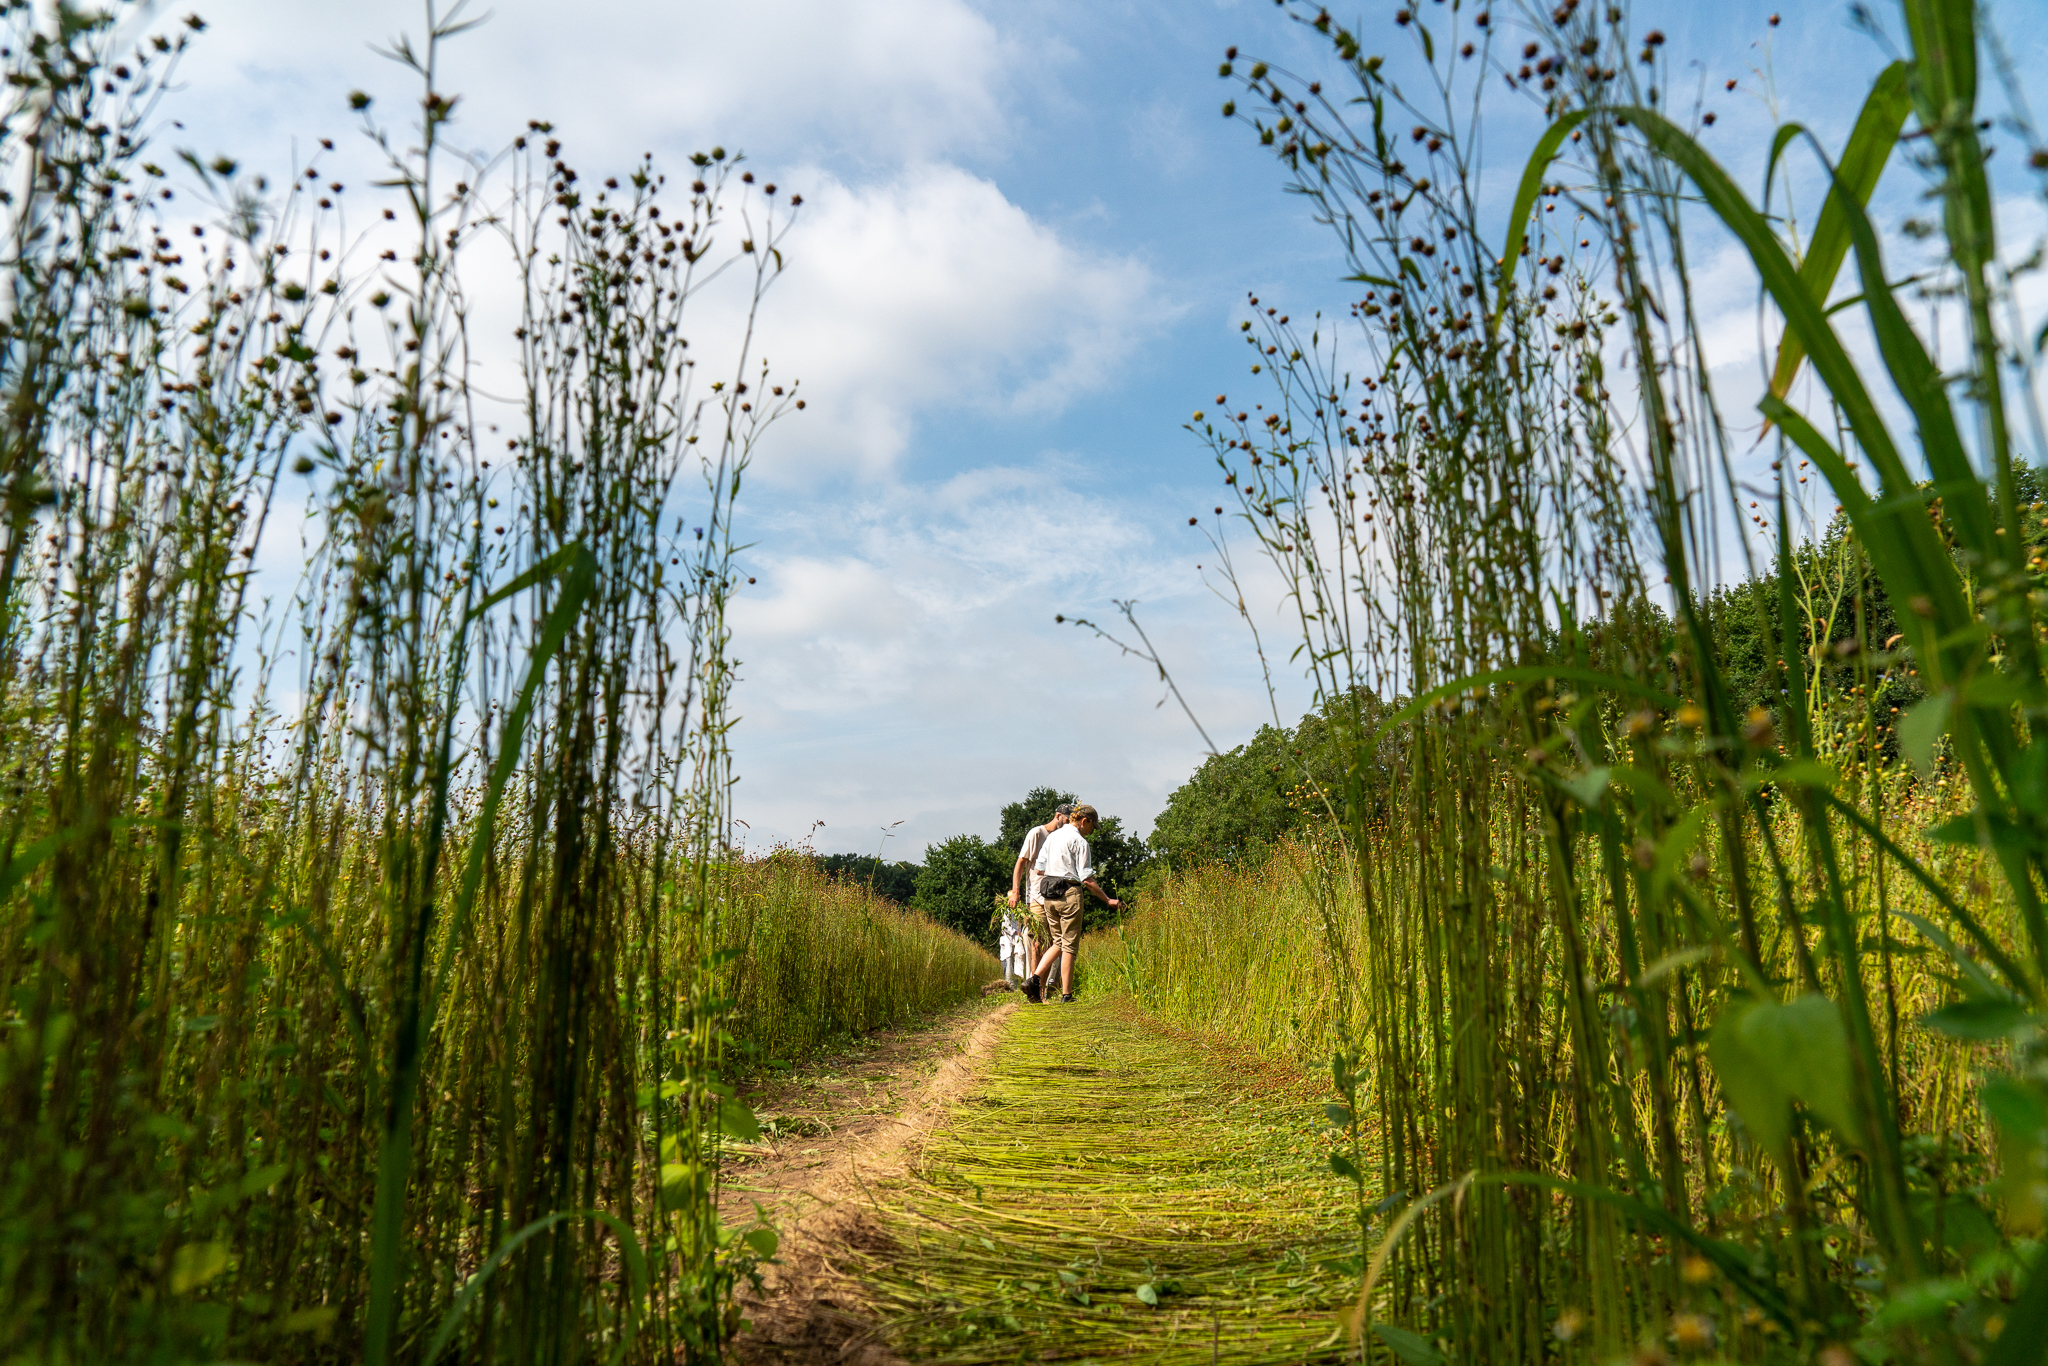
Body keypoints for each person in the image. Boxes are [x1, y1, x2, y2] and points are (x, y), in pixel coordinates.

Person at [1024, 803, 1119, 1004]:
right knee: (1069, 946)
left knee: (1057, 941)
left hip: (1048, 895)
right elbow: (1087, 879)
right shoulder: (1080, 842)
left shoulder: (1052, 837)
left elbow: (1039, 869)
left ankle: (1034, 979)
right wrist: (1108, 900)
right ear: (1084, 821)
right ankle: (1066, 995)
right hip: (1069, 894)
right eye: (1092, 827)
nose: (1091, 832)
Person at [1005, 802, 1071, 982]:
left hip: (1055, 898)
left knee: (1052, 944)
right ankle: (1035, 990)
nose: (1067, 824)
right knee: (1036, 944)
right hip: (1035, 897)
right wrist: (1016, 892)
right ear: (1058, 816)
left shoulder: (1062, 838)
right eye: (1066, 820)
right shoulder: (1037, 833)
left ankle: (1040, 986)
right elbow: (1020, 863)